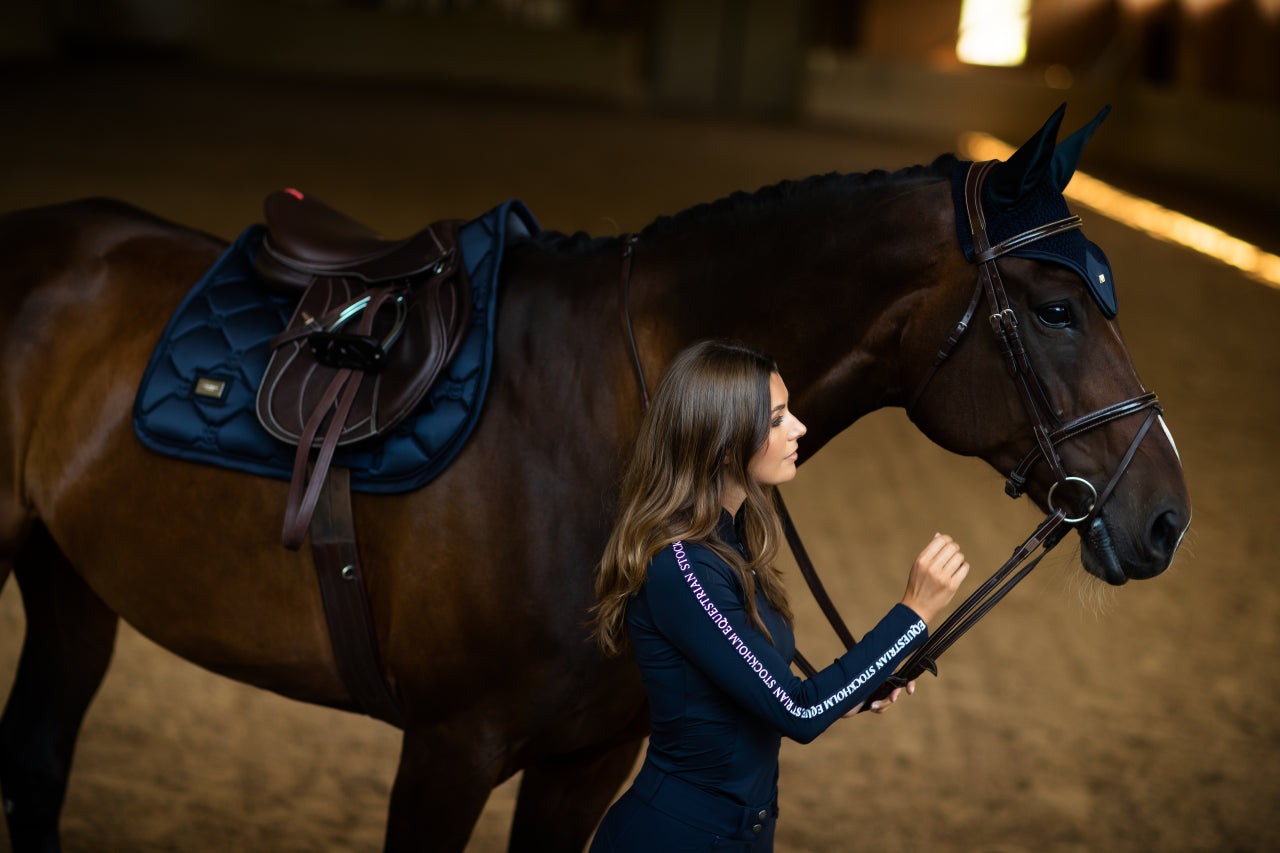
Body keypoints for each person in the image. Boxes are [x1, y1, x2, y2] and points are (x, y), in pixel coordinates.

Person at [590, 339, 969, 851]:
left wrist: (865, 684)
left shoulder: (730, 539)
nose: (799, 428)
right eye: (776, 419)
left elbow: (764, 691)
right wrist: (915, 611)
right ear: (724, 444)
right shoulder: (683, 567)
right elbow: (799, 712)